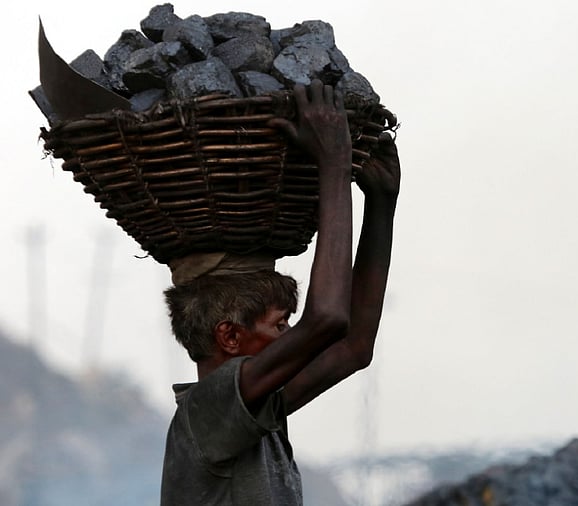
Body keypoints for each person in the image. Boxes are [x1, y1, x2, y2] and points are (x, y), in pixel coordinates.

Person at [159, 79, 400, 505]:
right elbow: (327, 320)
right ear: (229, 336)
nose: (292, 335)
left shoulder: (255, 412)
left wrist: (381, 203)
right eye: (280, 324)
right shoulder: (209, 411)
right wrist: (333, 165)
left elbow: (354, 347)